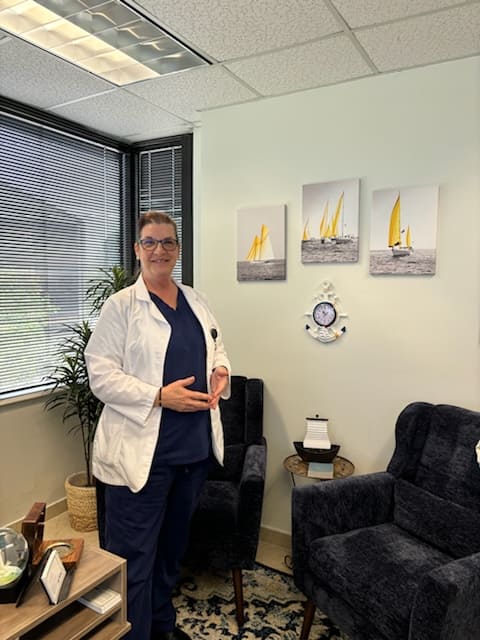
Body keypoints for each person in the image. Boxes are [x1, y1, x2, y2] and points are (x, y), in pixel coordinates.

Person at [85, 211, 231, 640]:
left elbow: (218, 348)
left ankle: (162, 628)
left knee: (170, 553)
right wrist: (158, 395)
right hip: (143, 458)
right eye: (150, 242)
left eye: (168, 242)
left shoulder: (196, 300)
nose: (159, 250)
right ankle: (133, 634)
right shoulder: (122, 307)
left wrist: (220, 371)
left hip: (194, 453)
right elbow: (101, 375)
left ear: (178, 250)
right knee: (132, 559)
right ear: (137, 249)